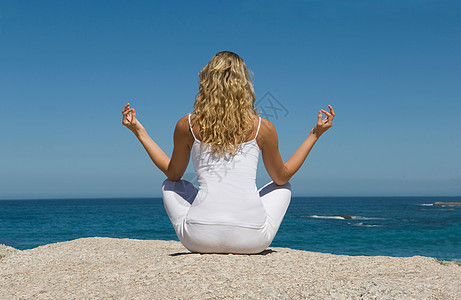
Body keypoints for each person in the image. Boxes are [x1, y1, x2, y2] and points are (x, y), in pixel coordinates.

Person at [122, 51, 335, 254]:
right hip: (252, 241)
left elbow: (173, 174)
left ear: (206, 82)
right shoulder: (263, 127)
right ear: (244, 85)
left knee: (171, 185)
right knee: (283, 187)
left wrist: (139, 132)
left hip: (198, 238)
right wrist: (315, 134)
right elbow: (281, 177)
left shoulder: (186, 125)